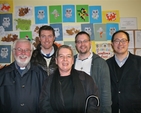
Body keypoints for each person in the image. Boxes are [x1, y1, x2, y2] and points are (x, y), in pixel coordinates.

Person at [39, 45, 99, 113]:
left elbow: (93, 102)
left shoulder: (85, 78)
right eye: (61, 56)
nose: (65, 59)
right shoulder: (49, 81)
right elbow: (44, 105)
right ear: (56, 60)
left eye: (68, 56)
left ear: (72, 60)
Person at [0, 39, 47, 113]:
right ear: (13, 52)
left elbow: (46, 103)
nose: (23, 53)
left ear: (31, 53)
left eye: (27, 50)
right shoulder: (2, 74)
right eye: (19, 49)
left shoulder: (41, 74)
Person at [74, 31, 112, 113]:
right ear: (76, 44)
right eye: (79, 42)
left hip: (93, 108)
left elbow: (106, 92)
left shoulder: (101, 63)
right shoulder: (70, 62)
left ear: (90, 43)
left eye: (85, 41)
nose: (82, 44)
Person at [106, 30, 141, 113]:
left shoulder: (139, 62)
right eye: (117, 41)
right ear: (112, 44)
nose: (120, 44)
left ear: (128, 43)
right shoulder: (106, 64)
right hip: (113, 109)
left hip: (135, 109)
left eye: (123, 40)